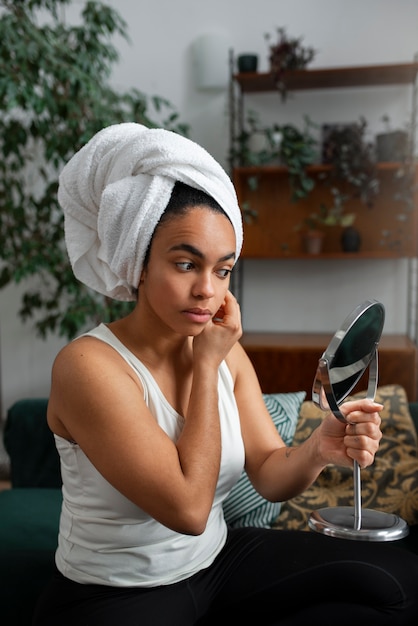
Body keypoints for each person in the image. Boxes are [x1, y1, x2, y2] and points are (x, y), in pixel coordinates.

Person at [33, 123, 418, 626]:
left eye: (222, 269)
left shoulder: (225, 353)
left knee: (398, 576)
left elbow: (269, 473)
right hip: (118, 595)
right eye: (185, 264)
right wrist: (206, 364)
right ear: (139, 263)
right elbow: (190, 510)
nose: (207, 291)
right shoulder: (88, 367)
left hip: (217, 564)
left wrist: (320, 449)